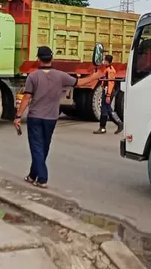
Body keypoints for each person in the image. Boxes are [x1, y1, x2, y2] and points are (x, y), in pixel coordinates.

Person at [14, 46, 101, 188]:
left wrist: (18, 116)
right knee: (44, 147)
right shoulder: (61, 76)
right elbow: (79, 83)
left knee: (36, 147)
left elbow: (26, 98)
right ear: (52, 58)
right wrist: (95, 77)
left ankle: (42, 178)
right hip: (51, 118)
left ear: (38, 59)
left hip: (35, 117)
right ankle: (32, 175)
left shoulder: (33, 76)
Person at [93, 54, 123, 135]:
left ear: (107, 61)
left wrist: (108, 95)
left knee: (105, 109)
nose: (103, 61)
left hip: (108, 91)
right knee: (107, 109)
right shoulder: (106, 68)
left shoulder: (111, 70)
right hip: (105, 90)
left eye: (104, 60)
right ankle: (118, 124)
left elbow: (111, 83)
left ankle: (103, 127)